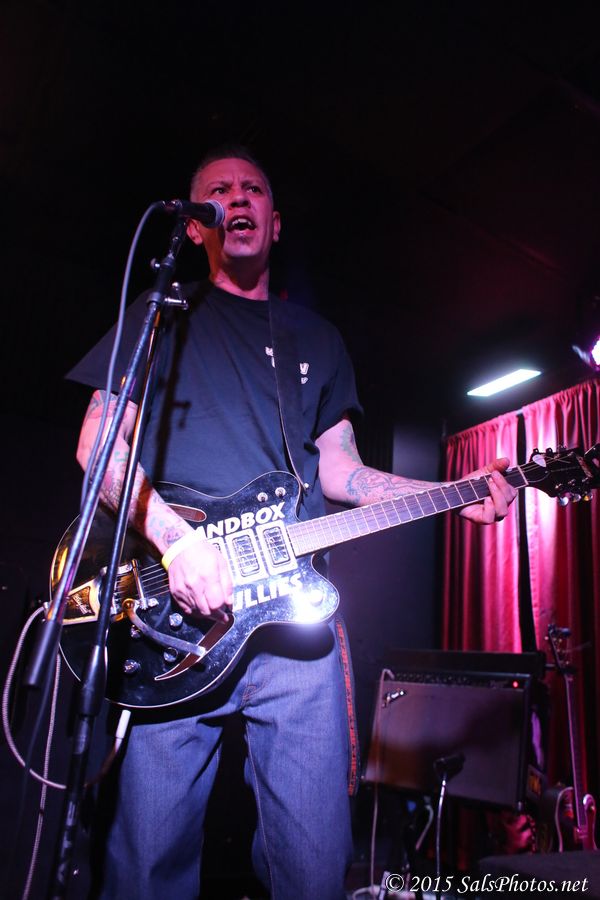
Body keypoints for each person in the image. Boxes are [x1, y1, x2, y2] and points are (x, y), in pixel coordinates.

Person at [71, 147, 517, 900]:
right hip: (174, 616)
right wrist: (176, 544)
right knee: (146, 866)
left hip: (295, 626)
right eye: (218, 190)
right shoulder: (158, 316)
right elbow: (98, 445)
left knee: (314, 867)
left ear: (275, 223)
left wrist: (451, 491)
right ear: (195, 225)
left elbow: (341, 471)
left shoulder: (318, 339)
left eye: (253, 188)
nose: (237, 196)